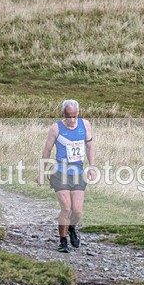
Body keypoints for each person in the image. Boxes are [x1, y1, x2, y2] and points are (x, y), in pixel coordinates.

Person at [37, 99, 95, 253]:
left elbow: (89, 147)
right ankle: (63, 241)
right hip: (60, 172)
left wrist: (92, 166)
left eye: (74, 116)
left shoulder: (85, 125)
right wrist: (42, 172)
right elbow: (46, 151)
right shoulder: (56, 128)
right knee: (66, 209)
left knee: (77, 211)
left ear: (78, 114)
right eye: (68, 116)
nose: (72, 119)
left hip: (78, 173)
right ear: (63, 114)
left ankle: (72, 228)